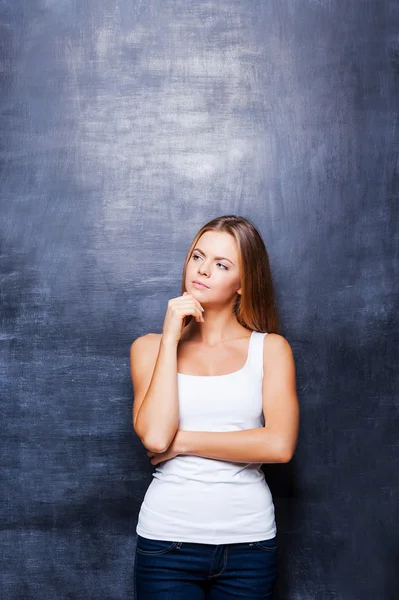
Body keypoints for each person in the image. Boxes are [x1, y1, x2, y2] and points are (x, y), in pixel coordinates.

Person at [130, 215, 300, 599]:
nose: (203, 271)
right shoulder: (148, 348)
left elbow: (279, 446)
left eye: (221, 265)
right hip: (166, 542)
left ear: (243, 284)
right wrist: (172, 334)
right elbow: (157, 437)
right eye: (197, 257)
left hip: (250, 544)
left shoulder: (270, 349)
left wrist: (184, 442)